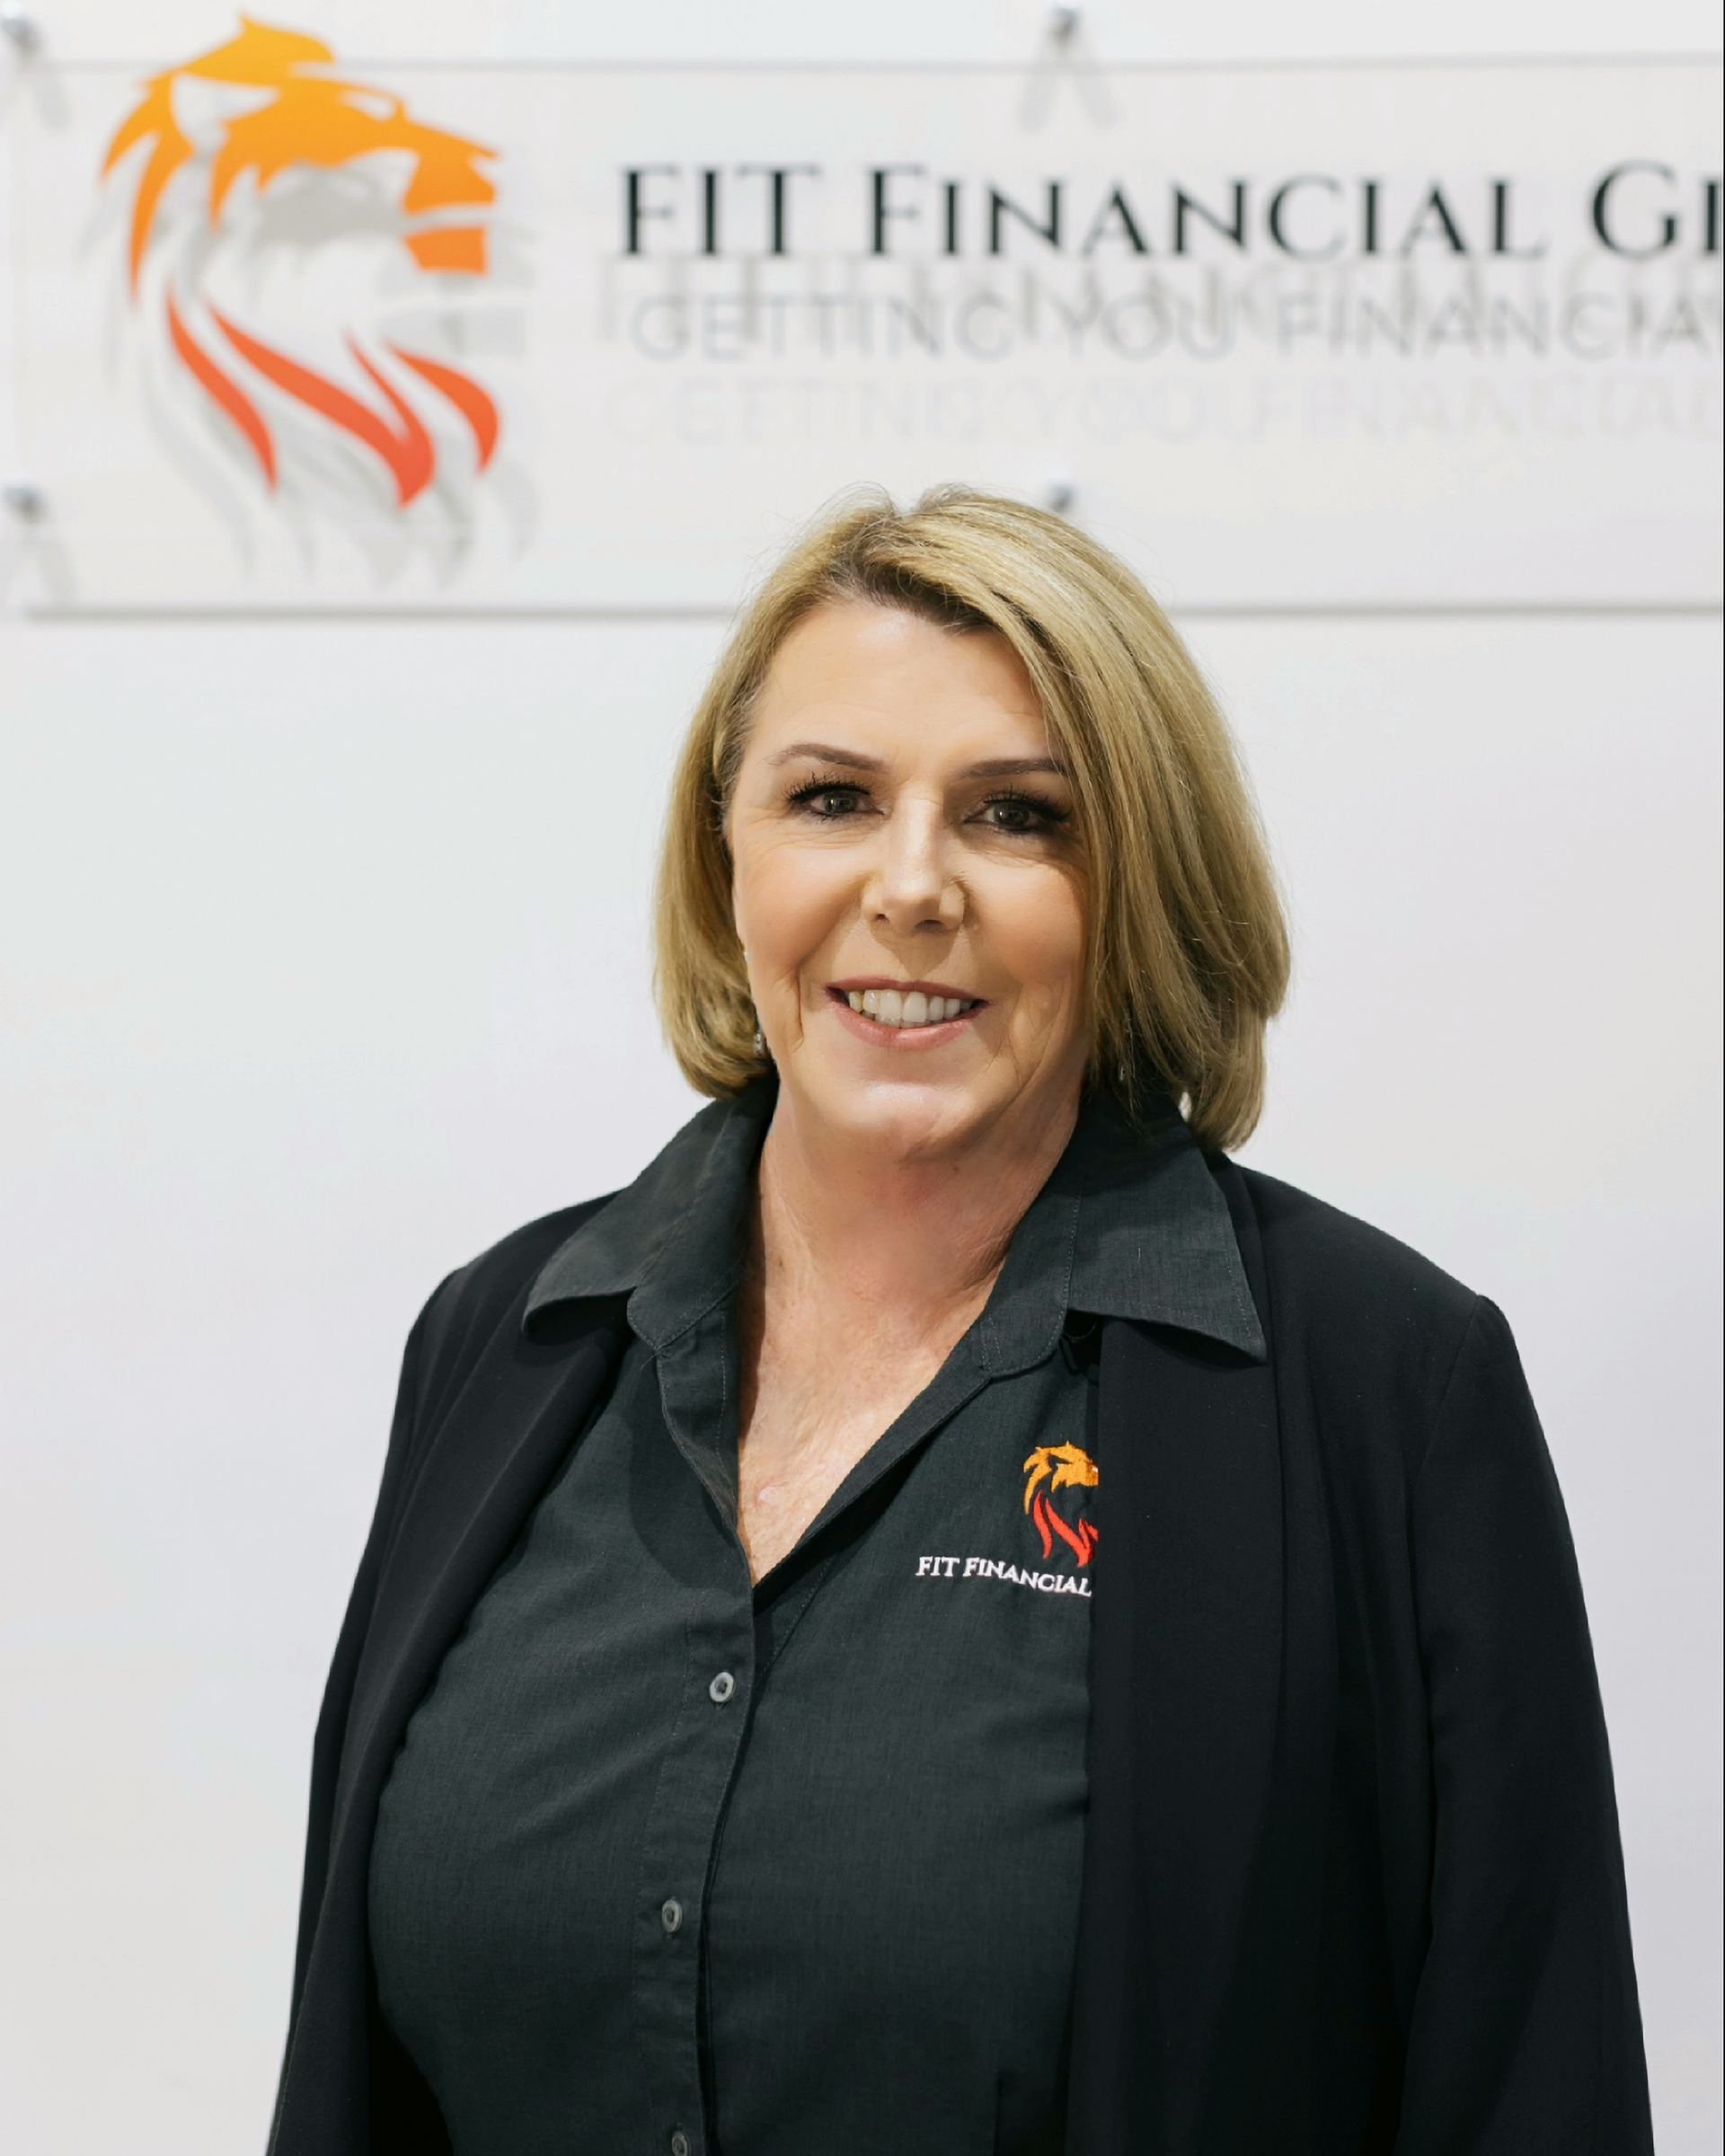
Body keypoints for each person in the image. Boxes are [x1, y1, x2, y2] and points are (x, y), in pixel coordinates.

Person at [269, 489, 1652, 2156]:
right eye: (832, 799)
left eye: (1016, 816)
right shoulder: (507, 1340)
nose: (912, 886)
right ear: (727, 855)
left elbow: (1532, 2083)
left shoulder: (1384, 1392)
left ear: (1139, 879)